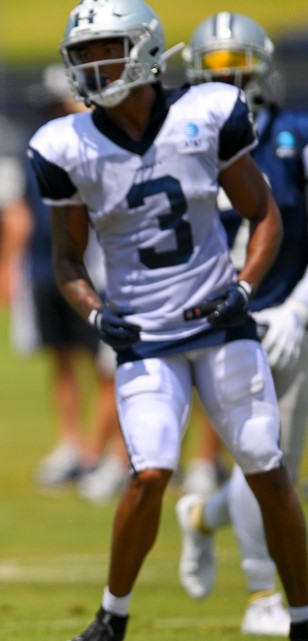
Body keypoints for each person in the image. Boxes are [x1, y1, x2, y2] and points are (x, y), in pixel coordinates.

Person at [27, 1, 308, 639]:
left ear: (147, 51)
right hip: (146, 338)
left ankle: (299, 614)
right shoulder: (65, 146)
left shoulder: (205, 114)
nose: (96, 67)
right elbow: (67, 259)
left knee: (267, 462)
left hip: (219, 323)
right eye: (86, 54)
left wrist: (244, 289)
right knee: (150, 471)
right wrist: (97, 315)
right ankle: (112, 615)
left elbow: (264, 214)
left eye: (109, 50)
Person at [173, 12, 308, 636]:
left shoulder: (296, 136)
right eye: (216, 71)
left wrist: (298, 310)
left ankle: (200, 517)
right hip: (218, 323)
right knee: (268, 462)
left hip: (290, 316)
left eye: (239, 68)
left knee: (276, 468)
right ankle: (261, 594)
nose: (229, 82)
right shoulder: (176, 144)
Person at [0, 65, 125, 499]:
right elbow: (19, 210)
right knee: (61, 358)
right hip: (48, 269)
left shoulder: (100, 145)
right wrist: (8, 265)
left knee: (108, 366)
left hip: (99, 272)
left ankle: (102, 454)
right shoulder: (36, 149)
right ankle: (73, 447)